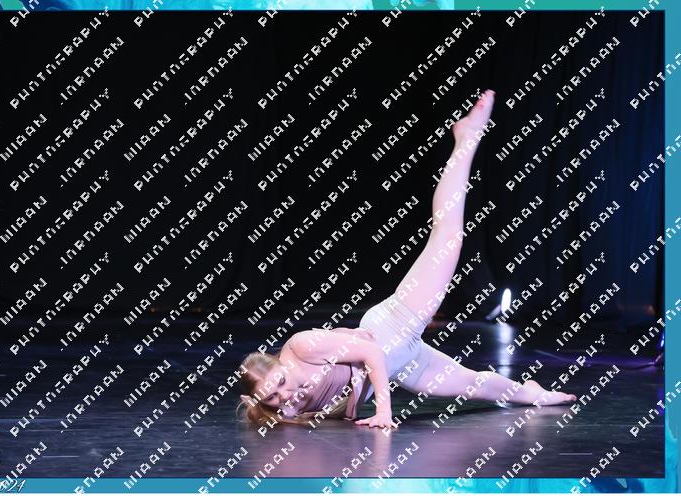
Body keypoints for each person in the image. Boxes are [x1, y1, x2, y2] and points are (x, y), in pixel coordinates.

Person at [236, 89, 577, 430]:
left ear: (277, 363)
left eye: (281, 383)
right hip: (400, 360)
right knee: (475, 385)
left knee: (448, 236)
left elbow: (370, 352)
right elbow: (305, 405)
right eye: (272, 398)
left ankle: (466, 139)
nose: (284, 394)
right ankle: (533, 393)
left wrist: (383, 411)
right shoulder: (282, 407)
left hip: (392, 327)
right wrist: (275, 409)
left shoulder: (302, 347)